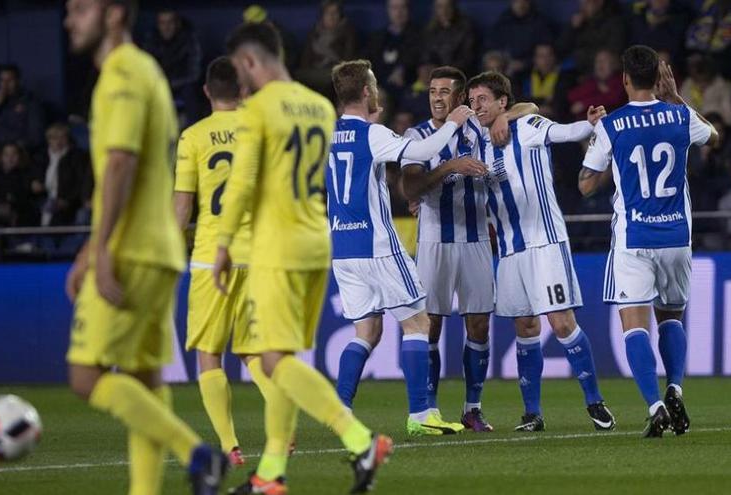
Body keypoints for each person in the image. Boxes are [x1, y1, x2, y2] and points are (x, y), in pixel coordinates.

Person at [214, 24, 391, 495]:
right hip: (318, 241)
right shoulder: (316, 107)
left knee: (273, 361)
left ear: (250, 62)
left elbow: (243, 183)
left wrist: (222, 245)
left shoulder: (257, 111)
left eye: (239, 70)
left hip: (277, 247)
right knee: (284, 359)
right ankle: (270, 474)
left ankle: (359, 440)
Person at [62, 2, 228, 494]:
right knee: (144, 382)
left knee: (85, 376)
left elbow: (119, 164)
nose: (70, 18)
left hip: (131, 248)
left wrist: (101, 247)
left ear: (114, 14)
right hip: (158, 248)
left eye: (80, 8)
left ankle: (196, 454)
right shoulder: (146, 71)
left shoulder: (122, 71)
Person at [578, 45, 719, 437]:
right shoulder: (679, 115)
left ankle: (655, 405)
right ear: (658, 78)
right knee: (671, 317)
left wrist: (608, 160)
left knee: (633, 324)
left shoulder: (611, 126)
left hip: (634, 238)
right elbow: (715, 136)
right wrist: (676, 98)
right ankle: (674, 387)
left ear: (624, 79)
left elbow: (585, 186)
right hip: (677, 235)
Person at [326, 59, 470, 437]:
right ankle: (421, 415)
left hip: (342, 247)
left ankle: (339, 409)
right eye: (373, 85)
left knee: (367, 332)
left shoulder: (326, 133)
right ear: (366, 92)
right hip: (377, 246)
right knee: (418, 323)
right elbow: (421, 153)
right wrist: (454, 120)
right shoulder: (371, 135)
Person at [468, 71, 615, 433]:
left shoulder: (529, 125)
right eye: (472, 100)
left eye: (483, 99)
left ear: (502, 101)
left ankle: (594, 402)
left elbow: (567, 131)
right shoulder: (474, 141)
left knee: (562, 323)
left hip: (545, 242)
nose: (475, 106)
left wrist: (590, 123)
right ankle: (532, 413)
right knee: (525, 325)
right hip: (508, 249)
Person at [399, 66, 537, 432]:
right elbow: (410, 190)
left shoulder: (478, 127)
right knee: (429, 326)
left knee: (479, 325)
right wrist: (449, 167)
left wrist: (506, 113)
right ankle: (427, 409)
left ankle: (472, 408)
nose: (437, 97)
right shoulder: (418, 134)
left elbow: (531, 107)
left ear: (460, 98)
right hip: (433, 242)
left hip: (477, 239)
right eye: (432, 91)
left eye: (445, 91)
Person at [172, 57, 255, 467]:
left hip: (210, 258)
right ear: (242, 91)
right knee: (256, 351)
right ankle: (283, 425)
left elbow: (183, 205)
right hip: (256, 256)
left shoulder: (192, 137)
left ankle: (229, 443)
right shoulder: (259, 131)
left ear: (206, 91)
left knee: (209, 353)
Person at [143, 9, 203, 124]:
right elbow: (146, 71)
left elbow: (194, 74)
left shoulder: (189, 39)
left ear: (177, 23)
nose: (166, 27)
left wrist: (170, 84)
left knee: (191, 91)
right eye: (162, 23)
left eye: (170, 22)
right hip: (159, 86)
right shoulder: (151, 40)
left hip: (181, 87)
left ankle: (192, 133)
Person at [34, 123, 92, 227]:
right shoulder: (41, 157)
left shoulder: (78, 157)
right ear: (49, 140)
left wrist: (66, 201)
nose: (58, 141)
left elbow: (81, 184)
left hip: (69, 202)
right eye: (55, 138)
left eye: (62, 137)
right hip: (43, 199)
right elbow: (33, 178)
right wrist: (35, 183)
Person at [0, 65, 45, 150]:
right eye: (2, 80)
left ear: (18, 81)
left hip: (18, 151)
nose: (5, 84)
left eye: (10, 80)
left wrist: (15, 147)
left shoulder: (30, 101)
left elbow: (36, 137)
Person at [297, 0, 357, 99]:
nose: (331, 16)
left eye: (335, 13)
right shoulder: (314, 33)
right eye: (328, 13)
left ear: (340, 15)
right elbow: (305, 58)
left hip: (335, 72)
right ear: (322, 15)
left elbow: (349, 59)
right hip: (314, 72)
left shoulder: (348, 33)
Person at [364, 0, 423, 97]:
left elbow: (419, 60)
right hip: (379, 86)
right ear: (388, 10)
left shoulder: (419, 36)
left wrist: (403, 69)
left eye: (402, 7)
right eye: (395, 8)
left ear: (409, 10)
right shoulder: (377, 38)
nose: (399, 12)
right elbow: (367, 62)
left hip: (406, 88)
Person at [557, 0, 627, 76]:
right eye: (581, 4)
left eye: (587, 3)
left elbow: (612, 52)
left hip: (600, 72)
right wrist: (572, 29)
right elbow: (561, 48)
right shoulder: (579, 21)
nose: (583, 8)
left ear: (599, 2)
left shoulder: (614, 22)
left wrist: (579, 57)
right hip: (578, 69)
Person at [487, 0, 554, 79]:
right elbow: (491, 48)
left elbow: (546, 53)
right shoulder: (503, 21)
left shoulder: (540, 23)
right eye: (516, 1)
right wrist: (504, 62)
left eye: (524, 1)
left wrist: (524, 64)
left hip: (531, 71)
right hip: (505, 68)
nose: (520, 4)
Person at [679, 54, 731, 127]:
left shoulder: (724, 87)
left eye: (705, 81)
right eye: (697, 81)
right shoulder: (687, 85)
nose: (701, 85)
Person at [519, 44, 575, 121]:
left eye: (549, 55)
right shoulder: (523, 77)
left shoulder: (565, 78)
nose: (546, 60)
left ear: (555, 57)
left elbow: (561, 103)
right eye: (541, 56)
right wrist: (544, 101)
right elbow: (520, 99)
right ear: (535, 59)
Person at [567, 49, 627, 121]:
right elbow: (572, 96)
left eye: (605, 61)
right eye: (598, 61)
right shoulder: (592, 81)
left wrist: (585, 104)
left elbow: (614, 99)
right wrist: (598, 89)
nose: (600, 64)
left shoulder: (621, 80)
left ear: (614, 64)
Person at [0, 142, 37, 227]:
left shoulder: (26, 174)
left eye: (14, 154)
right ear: (1, 157)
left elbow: (26, 197)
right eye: (6, 155)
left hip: (21, 213)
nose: (10, 158)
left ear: (19, 156)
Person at [423, 0, 477, 74]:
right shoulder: (430, 30)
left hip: (457, 74)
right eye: (440, 7)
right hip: (435, 73)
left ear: (454, 8)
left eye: (448, 6)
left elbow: (467, 59)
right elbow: (426, 55)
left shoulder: (465, 28)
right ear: (435, 9)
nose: (444, 11)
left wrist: (444, 70)